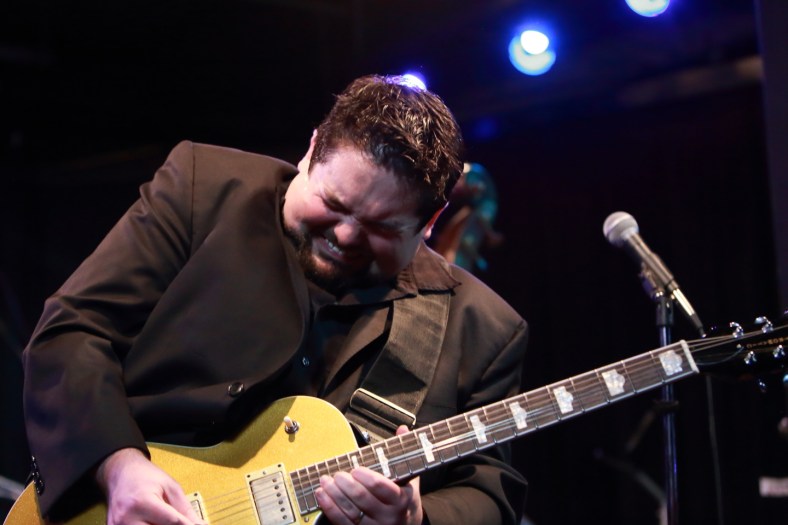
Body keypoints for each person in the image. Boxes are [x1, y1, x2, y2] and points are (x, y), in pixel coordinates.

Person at [22, 75, 528, 525]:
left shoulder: (482, 327)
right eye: (333, 203)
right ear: (311, 151)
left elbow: (490, 491)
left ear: (430, 221)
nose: (346, 236)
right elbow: (73, 332)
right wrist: (118, 466)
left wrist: (417, 518)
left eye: (380, 227)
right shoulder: (203, 187)